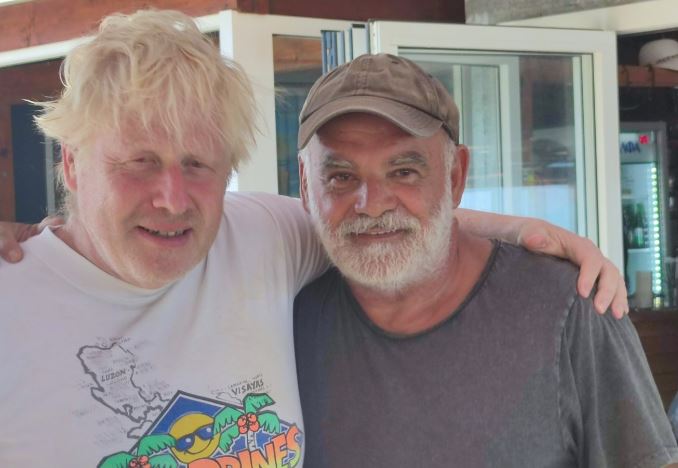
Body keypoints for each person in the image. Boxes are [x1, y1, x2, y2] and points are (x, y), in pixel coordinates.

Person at [0, 10, 626, 467]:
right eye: (139, 161)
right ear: (72, 164)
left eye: (197, 163)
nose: (172, 197)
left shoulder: (259, 238)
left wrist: (529, 232)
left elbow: (377, 223)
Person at [293, 53, 678, 467]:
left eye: (403, 171)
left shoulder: (571, 309)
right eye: (341, 177)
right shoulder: (290, 319)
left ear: (456, 176)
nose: (371, 205)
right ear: (305, 185)